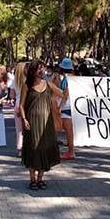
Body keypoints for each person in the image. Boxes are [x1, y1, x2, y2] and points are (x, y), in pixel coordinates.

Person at [20, 60, 64, 190]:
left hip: (46, 123)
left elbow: (63, 94)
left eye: (43, 68)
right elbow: (21, 105)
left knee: (44, 148)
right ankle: (32, 179)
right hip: (32, 122)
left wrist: (70, 82)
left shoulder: (49, 85)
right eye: (39, 69)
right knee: (33, 148)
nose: (42, 71)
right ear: (33, 71)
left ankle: (40, 178)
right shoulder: (26, 86)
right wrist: (24, 119)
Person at [59, 58, 76, 160]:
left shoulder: (67, 79)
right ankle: (71, 150)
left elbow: (66, 93)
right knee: (70, 131)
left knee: (69, 131)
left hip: (67, 106)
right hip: (73, 106)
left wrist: (60, 106)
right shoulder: (74, 77)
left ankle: (71, 152)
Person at [13, 61, 28, 156]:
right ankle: (26, 147)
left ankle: (20, 148)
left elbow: (12, 94)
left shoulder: (15, 81)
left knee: (19, 129)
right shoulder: (27, 80)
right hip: (25, 104)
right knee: (27, 127)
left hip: (17, 104)